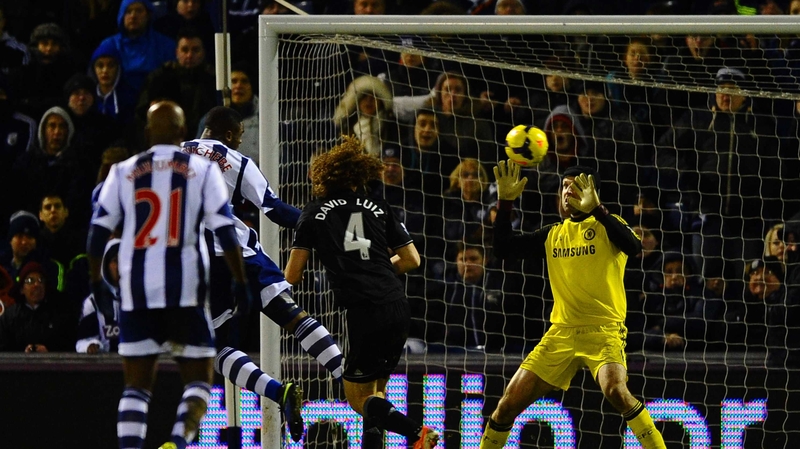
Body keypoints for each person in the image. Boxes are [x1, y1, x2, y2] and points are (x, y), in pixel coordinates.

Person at [87, 101, 253, 449]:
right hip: (185, 291)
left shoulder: (122, 171)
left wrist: (96, 282)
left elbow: (97, 234)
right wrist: (239, 280)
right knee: (200, 383)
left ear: (147, 134)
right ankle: (177, 442)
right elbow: (225, 232)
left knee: (136, 388)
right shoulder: (203, 170)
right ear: (182, 133)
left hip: (137, 292)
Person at [480, 161, 667, 449]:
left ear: (591, 192)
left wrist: (598, 210)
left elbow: (634, 247)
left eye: (575, 186)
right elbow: (503, 249)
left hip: (603, 331)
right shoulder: (553, 233)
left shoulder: (608, 225)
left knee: (616, 390)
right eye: (564, 187)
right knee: (505, 405)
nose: (568, 191)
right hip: (561, 333)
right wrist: (505, 203)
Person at [181, 106, 340, 442]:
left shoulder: (172, 157)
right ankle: (342, 372)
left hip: (194, 264)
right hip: (239, 254)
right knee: (290, 315)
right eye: (239, 134)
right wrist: (320, 225)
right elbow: (274, 209)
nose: (241, 139)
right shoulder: (235, 160)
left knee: (219, 349)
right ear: (229, 133)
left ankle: (277, 391)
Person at [284, 136, 440, 449]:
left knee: (357, 397)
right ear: (358, 176)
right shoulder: (380, 207)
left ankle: (416, 433)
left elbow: (293, 274)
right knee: (377, 391)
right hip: (397, 304)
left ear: (323, 176)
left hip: (366, 311)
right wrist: (379, 272)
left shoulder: (313, 213)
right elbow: (412, 259)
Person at [0, 261, 76, 352]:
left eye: (40, 280)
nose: (36, 285)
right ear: (21, 289)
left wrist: (49, 351)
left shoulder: (58, 315)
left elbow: (69, 345)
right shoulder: (9, 317)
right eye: (30, 281)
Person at [76, 238, 121, 354]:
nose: (120, 266)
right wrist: (90, 346)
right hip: (105, 368)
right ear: (106, 265)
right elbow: (83, 341)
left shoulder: (141, 299)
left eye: (124, 260)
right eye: (115, 261)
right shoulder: (93, 302)